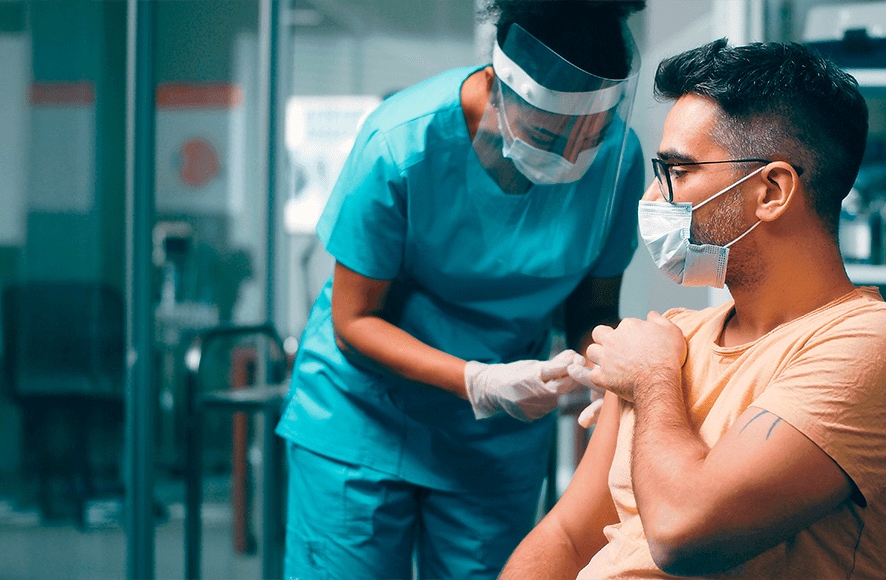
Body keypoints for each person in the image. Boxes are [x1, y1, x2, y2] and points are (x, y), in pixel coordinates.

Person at [501, 39, 886, 579]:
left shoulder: (871, 346)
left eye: (678, 173)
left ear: (772, 191)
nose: (655, 199)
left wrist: (651, 381)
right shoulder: (673, 338)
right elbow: (567, 537)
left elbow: (683, 535)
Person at [274, 1, 646, 578]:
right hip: (364, 417)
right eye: (549, 134)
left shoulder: (618, 163)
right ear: (500, 87)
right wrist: (479, 381)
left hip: (495, 439)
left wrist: (602, 372)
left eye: (589, 137)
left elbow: (595, 305)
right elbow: (354, 321)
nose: (571, 157)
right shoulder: (402, 142)